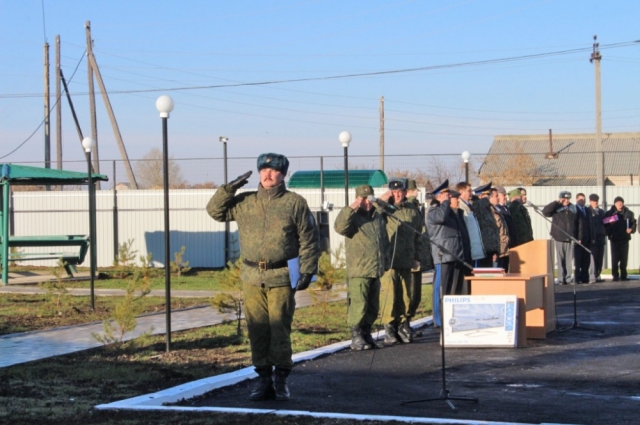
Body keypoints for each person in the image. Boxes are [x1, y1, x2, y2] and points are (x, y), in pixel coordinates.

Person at [206, 152, 320, 401]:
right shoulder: (245, 202)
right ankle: (263, 379)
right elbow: (215, 211)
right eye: (264, 170)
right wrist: (229, 189)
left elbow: (310, 240)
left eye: (274, 171)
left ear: (283, 174)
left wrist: (308, 270)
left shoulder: (294, 203)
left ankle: (281, 380)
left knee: (279, 328)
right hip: (252, 276)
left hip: (281, 276)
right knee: (257, 330)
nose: (268, 174)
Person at [334, 184, 390, 350]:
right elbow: (340, 227)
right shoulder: (353, 217)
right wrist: (352, 207)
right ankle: (356, 336)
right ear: (357, 199)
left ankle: (367, 334)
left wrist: (385, 261)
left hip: (375, 268)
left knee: (372, 306)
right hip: (360, 269)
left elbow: (384, 240)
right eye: (363, 199)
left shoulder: (377, 217)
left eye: (369, 198)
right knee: (359, 305)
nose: (367, 202)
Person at [378, 178, 422, 344]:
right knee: (390, 296)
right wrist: (384, 199)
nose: (397, 195)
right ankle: (389, 328)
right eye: (394, 192)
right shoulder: (385, 209)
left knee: (406, 295)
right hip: (389, 260)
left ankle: (403, 325)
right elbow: (373, 212)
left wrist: (417, 256)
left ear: (405, 192)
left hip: (406, 258)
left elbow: (418, 235)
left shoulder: (412, 210)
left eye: (400, 191)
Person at [426, 180, 465, 327]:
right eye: (447, 195)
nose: (450, 198)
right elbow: (441, 218)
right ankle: (438, 319)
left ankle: (450, 316)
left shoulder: (448, 211)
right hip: (442, 256)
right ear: (439, 196)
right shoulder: (435, 211)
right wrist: (443, 202)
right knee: (440, 289)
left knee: (452, 290)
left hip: (454, 254)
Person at [406, 179, 433, 337]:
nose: (417, 192)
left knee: (416, 295)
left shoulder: (415, 206)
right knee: (409, 294)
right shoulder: (409, 206)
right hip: (410, 257)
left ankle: (408, 323)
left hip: (418, 256)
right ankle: (404, 323)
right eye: (414, 190)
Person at [542, 191, 576, 285]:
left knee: (569, 260)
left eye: (568, 199)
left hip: (569, 237)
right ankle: (561, 278)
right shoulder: (556, 208)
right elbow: (545, 211)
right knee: (560, 259)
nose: (566, 201)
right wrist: (556, 202)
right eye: (564, 199)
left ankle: (568, 278)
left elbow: (577, 222)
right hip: (559, 237)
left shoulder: (573, 208)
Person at [604, 196, 637, 281]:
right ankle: (615, 275)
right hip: (614, 239)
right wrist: (609, 232)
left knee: (624, 258)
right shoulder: (610, 213)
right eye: (618, 202)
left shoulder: (629, 213)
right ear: (615, 204)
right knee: (615, 258)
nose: (620, 204)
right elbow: (604, 224)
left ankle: (624, 275)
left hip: (624, 239)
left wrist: (631, 229)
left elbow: (634, 223)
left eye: (621, 202)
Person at [455, 181, 486, 268]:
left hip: (475, 248)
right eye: (469, 191)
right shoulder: (461, 206)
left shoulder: (469, 205)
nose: (471, 193)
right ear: (461, 192)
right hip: (469, 249)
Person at [470, 182, 500, 267]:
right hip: (482, 248)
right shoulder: (477, 207)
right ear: (480, 196)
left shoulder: (487, 208)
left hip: (489, 248)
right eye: (487, 195)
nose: (488, 197)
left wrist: (494, 249)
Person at [449, 189, 472, 294]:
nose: (458, 201)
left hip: (464, 254)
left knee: (462, 286)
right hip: (453, 255)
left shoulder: (459, 213)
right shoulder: (449, 215)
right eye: (456, 199)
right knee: (452, 287)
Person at [489, 187, 510, 271]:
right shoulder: (489, 212)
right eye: (496, 196)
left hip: (504, 249)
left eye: (498, 195)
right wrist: (494, 251)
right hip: (497, 250)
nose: (498, 198)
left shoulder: (498, 210)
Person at [573, 193, 593, 284]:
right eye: (581, 199)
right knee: (578, 260)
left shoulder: (587, 210)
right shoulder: (574, 210)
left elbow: (591, 224)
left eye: (584, 199)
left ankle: (585, 278)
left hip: (587, 239)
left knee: (586, 260)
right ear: (576, 200)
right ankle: (578, 278)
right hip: (578, 239)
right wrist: (577, 238)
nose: (583, 201)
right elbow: (574, 225)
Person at [587, 194, 606, 283]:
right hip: (593, 238)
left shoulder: (601, 212)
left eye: (596, 201)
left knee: (599, 258)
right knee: (593, 258)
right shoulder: (588, 211)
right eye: (594, 201)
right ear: (590, 201)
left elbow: (605, 223)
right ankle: (592, 275)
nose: (595, 203)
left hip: (601, 237)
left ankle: (598, 274)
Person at [494, 185, 518, 251]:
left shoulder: (506, 208)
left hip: (512, 243)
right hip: (504, 246)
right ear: (497, 196)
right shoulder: (496, 209)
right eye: (503, 195)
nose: (505, 197)